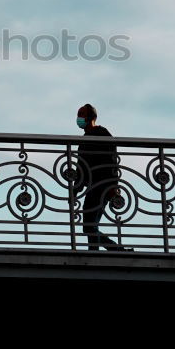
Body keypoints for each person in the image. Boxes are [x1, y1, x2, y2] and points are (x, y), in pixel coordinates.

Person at [76, 103, 132, 252]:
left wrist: (113, 186)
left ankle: (113, 250)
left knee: (89, 226)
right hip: (93, 187)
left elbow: (112, 161)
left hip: (102, 186)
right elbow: (81, 167)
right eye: (78, 115)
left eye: (82, 114)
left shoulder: (102, 133)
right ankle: (98, 252)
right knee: (89, 226)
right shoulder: (84, 140)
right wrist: (75, 190)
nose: (79, 118)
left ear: (91, 117)